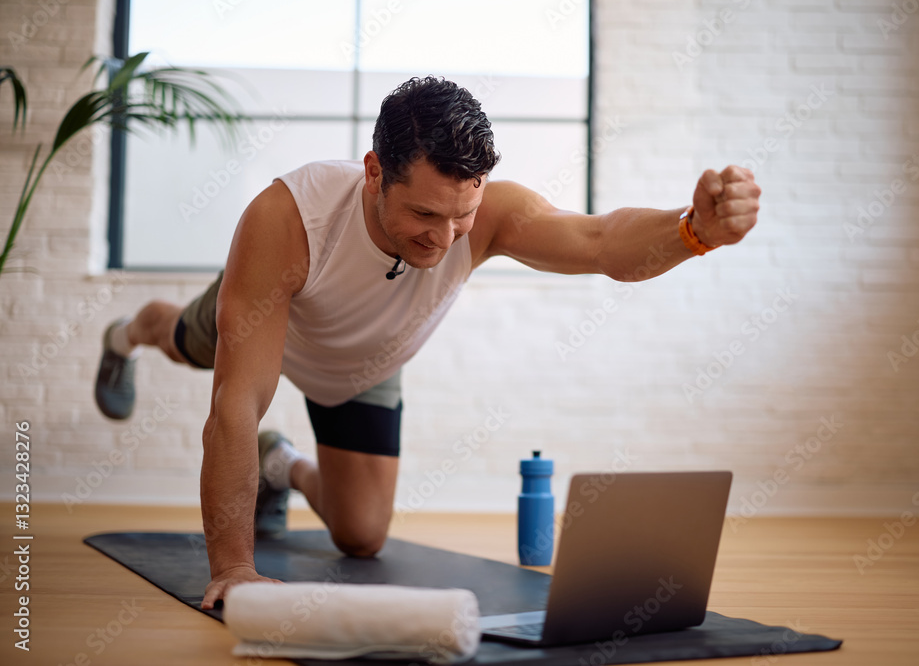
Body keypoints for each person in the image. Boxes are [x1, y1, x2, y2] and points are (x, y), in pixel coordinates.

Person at [93, 76, 761, 610]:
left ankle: (283, 465)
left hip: (363, 366)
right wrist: (235, 566)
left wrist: (691, 230)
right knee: (183, 340)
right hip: (275, 319)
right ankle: (130, 331)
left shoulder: (491, 213)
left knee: (361, 535)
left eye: (460, 216)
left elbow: (599, 241)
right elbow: (235, 408)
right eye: (423, 215)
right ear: (375, 169)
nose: (444, 240)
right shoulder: (289, 219)